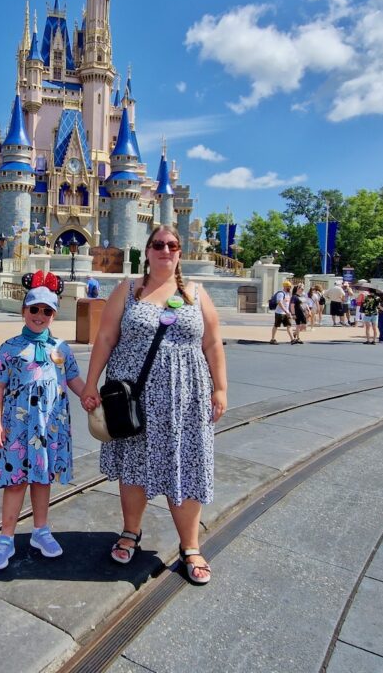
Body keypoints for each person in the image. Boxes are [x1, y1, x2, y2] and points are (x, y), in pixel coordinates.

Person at [81, 226, 227, 586]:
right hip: (135, 397)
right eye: (158, 244)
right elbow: (105, 337)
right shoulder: (128, 290)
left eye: (172, 245)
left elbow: (212, 343)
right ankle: (131, 531)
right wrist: (90, 383)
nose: (165, 250)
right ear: (146, 251)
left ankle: (190, 546)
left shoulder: (196, 293)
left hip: (187, 400)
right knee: (135, 463)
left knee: (187, 463)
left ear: (180, 252)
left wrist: (220, 389)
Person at [0, 278, 86, 570]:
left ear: (54, 314)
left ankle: (40, 531)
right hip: (17, 429)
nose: (39, 316)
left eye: (47, 311)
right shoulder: (9, 348)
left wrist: (91, 398)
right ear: (23, 310)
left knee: (42, 480)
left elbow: (74, 380)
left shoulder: (61, 348)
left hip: (50, 428)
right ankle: (5, 538)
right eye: (34, 309)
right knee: (16, 483)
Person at [269, 280, 294, 345]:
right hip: (279, 313)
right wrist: (285, 311)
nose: (290, 288)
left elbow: (287, 304)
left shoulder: (288, 294)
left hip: (286, 313)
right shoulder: (281, 293)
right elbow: (279, 303)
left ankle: (292, 339)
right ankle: (272, 339)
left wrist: (289, 312)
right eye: (289, 287)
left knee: (289, 325)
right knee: (276, 325)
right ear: (285, 286)